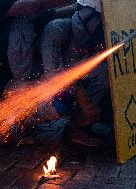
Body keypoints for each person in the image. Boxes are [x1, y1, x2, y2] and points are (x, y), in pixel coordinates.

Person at [38, 0, 111, 147]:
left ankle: (77, 130)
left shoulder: (95, 40)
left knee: (104, 73)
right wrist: (83, 99)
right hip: (39, 87)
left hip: (72, 86)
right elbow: (55, 77)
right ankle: (21, 128)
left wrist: (89, 109)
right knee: (56, 105)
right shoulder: (56, 30)